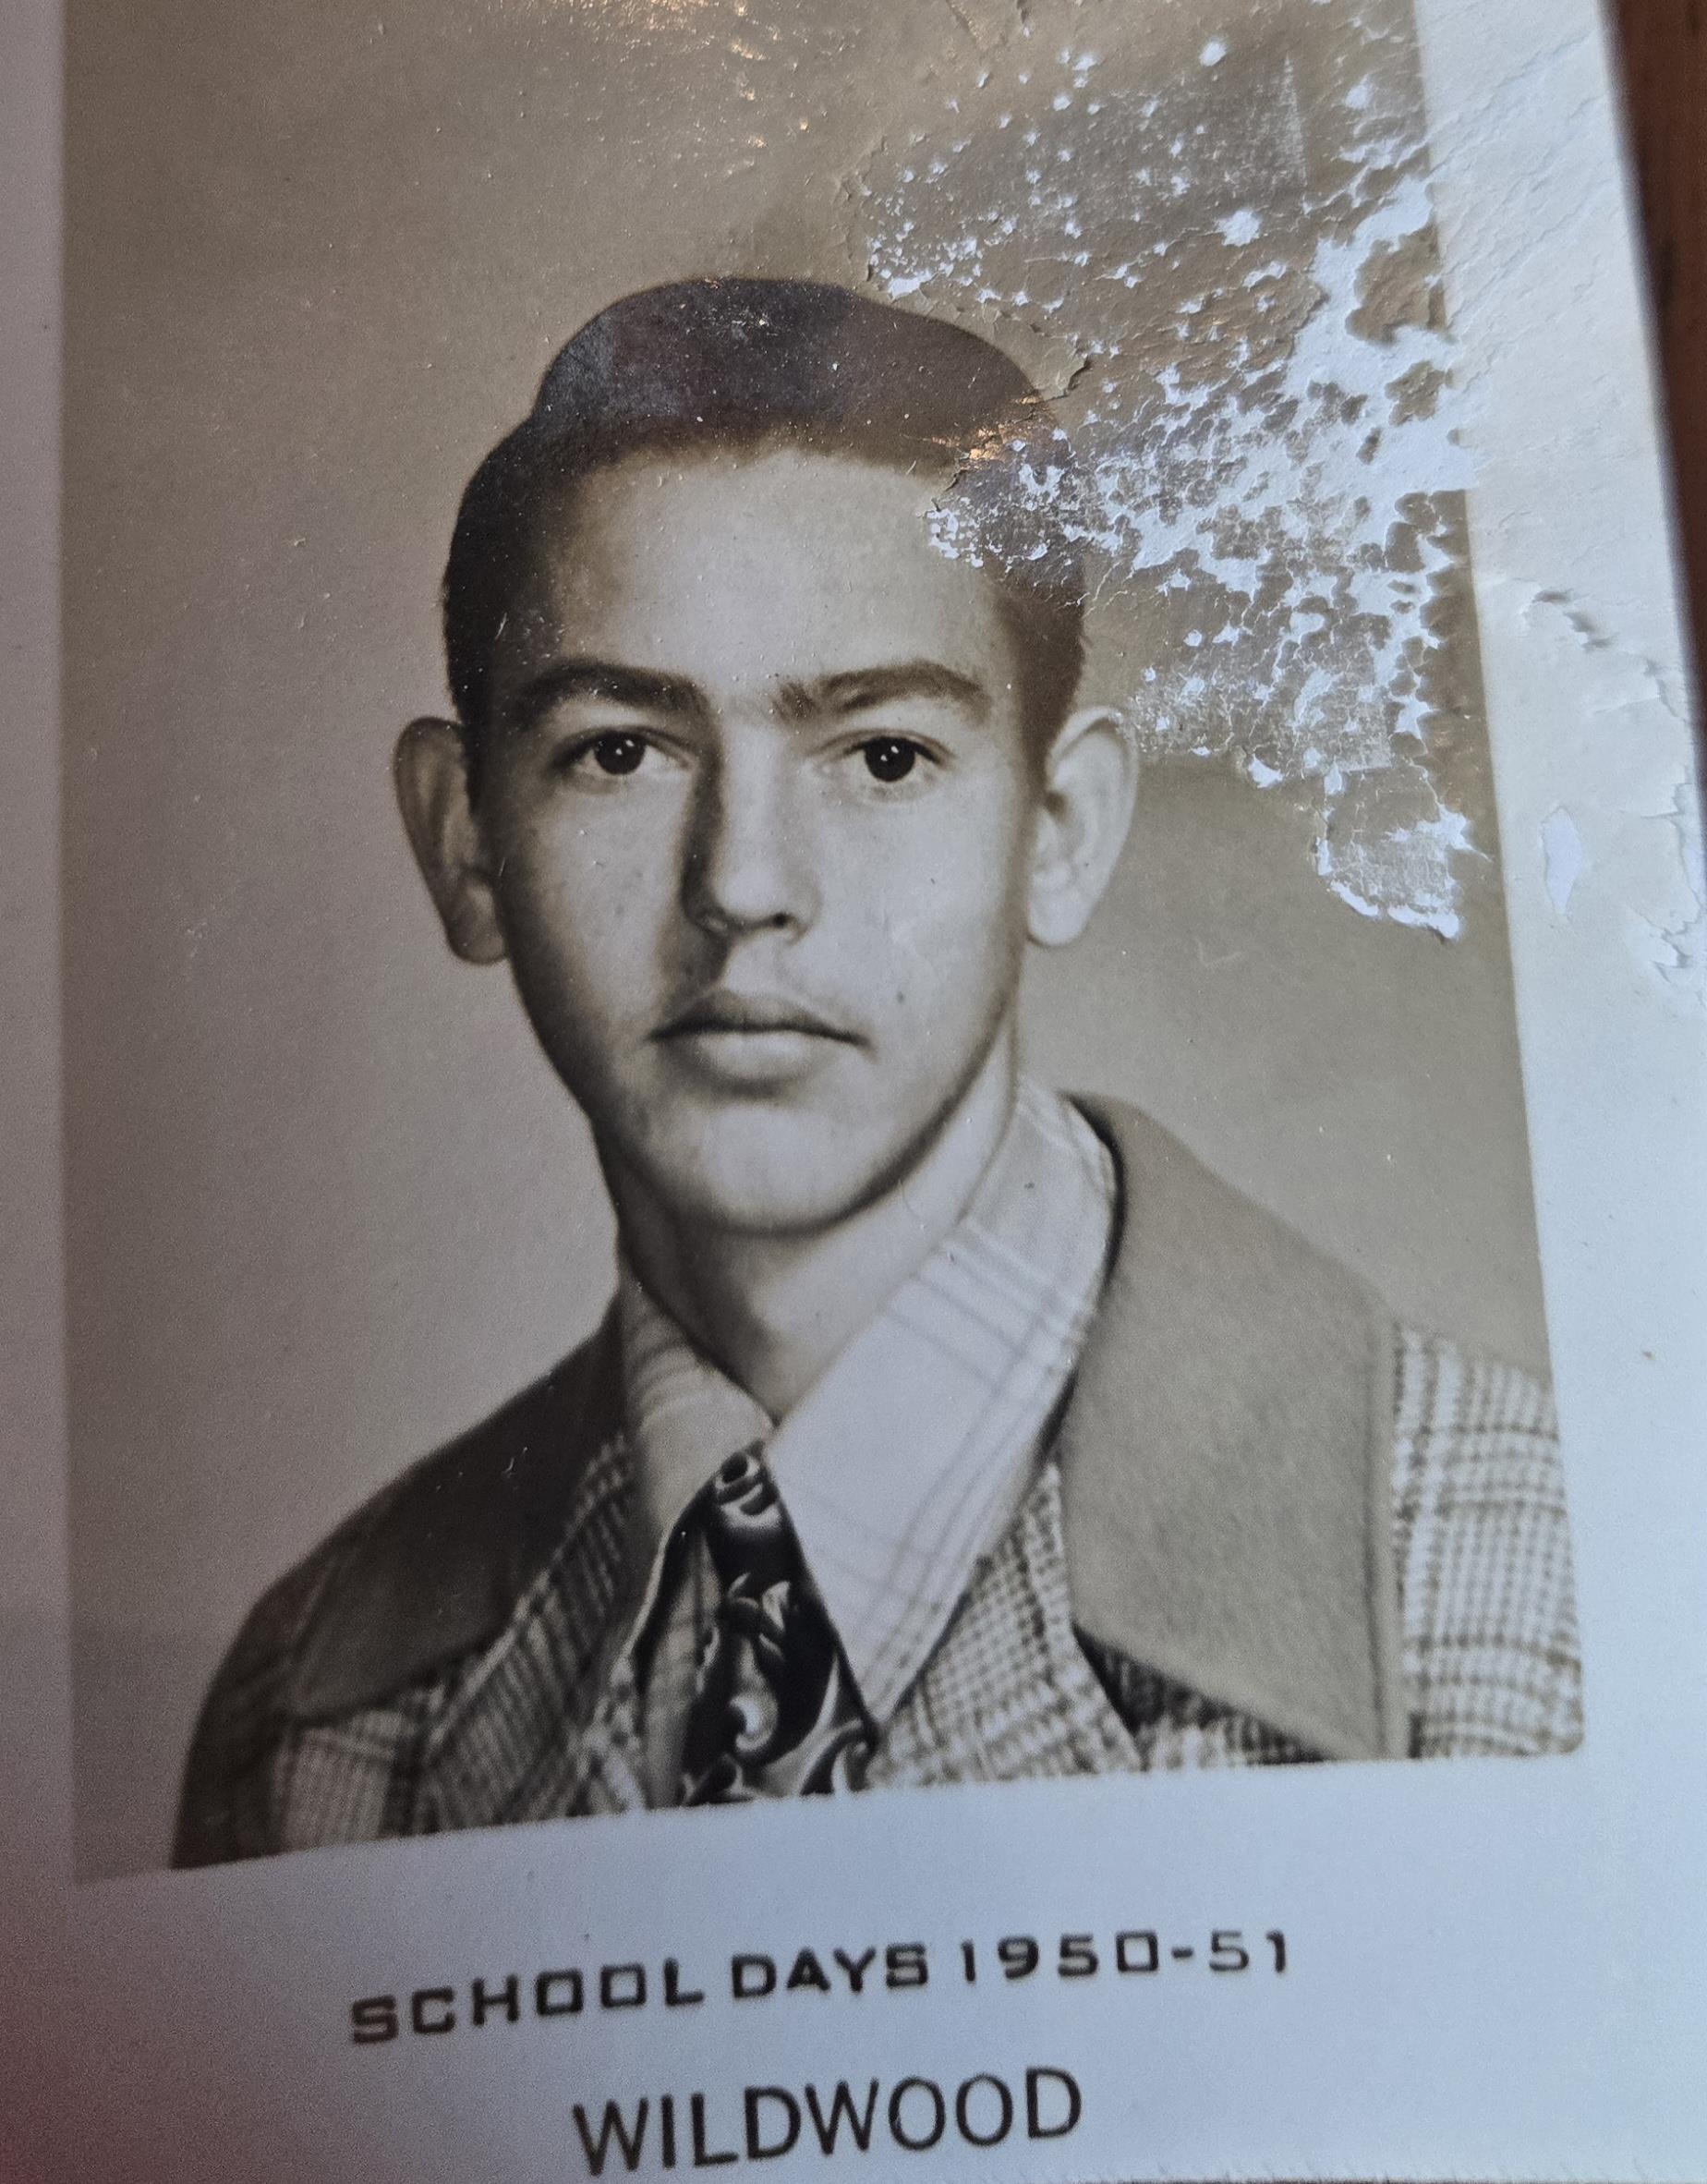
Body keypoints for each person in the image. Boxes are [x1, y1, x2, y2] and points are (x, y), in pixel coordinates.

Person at [174, 276, 1581, 1865]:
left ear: (1060, 832)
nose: (748, 885)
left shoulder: (1529, 1598)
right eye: (621, 750)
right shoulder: (316, 1723)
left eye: (885, 755)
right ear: (465, 844)